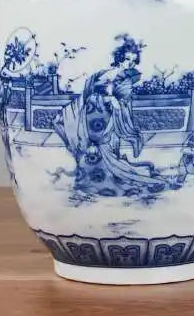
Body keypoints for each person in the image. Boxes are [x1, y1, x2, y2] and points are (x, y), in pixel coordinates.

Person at [55, 35, 167, 199]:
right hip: (92, 116)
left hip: (107, 122)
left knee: (109, 156)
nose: (130, 63)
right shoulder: (105, 73)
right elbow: (89, 93)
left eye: (133, 60)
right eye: (127, 59)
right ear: (120, 57)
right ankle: (87, 181)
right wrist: (105, 98)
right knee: (89, 150)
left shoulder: (126, 80)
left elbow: (122, 102)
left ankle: (104, 181)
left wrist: (114, 102)